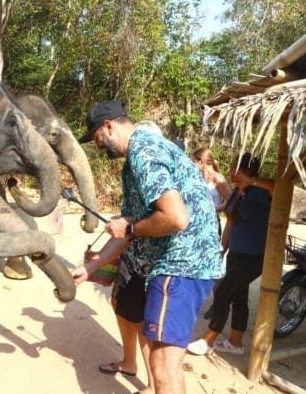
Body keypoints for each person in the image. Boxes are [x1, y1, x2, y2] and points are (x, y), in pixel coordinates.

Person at [72, 100, 223, 394]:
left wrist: (129, 227)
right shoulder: (137, 159)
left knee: (163, 365)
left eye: (96, 139)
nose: (97, 146)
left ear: (109, 126)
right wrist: (92, 267)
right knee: (163, 359)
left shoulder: (144, 150)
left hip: (180, 264)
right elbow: (128, 231)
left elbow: (175, 218)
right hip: (180, 266)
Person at [96, 121, 163, 394]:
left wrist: (130, 226)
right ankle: (129, 362)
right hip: (130, 255)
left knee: (141, 319)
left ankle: (153, 384)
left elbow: (166, 217)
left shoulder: (154, 162)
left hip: (150, 261)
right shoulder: (133, 169)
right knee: (120, 307)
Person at [187, 153, 271, 356]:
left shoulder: (262, 191)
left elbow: (282, 187)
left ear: (246, 170)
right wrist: (221, 251)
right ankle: (235, 342)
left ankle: (208, 340)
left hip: (254, 256)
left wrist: (253, 180)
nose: (231, 171)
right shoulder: (236, 193)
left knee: (222, 293)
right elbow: (230, 226)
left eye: (235, 168)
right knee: (238, 296)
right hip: (237, 252)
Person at [191, 147, 232, 319]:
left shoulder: (218, 178)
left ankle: (218, 303)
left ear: (201, 161)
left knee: (214, 264)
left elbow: (231, 200)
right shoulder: (196, 178)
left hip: (211, 224)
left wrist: (213, 209)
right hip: (196, 225)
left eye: (194, 161)